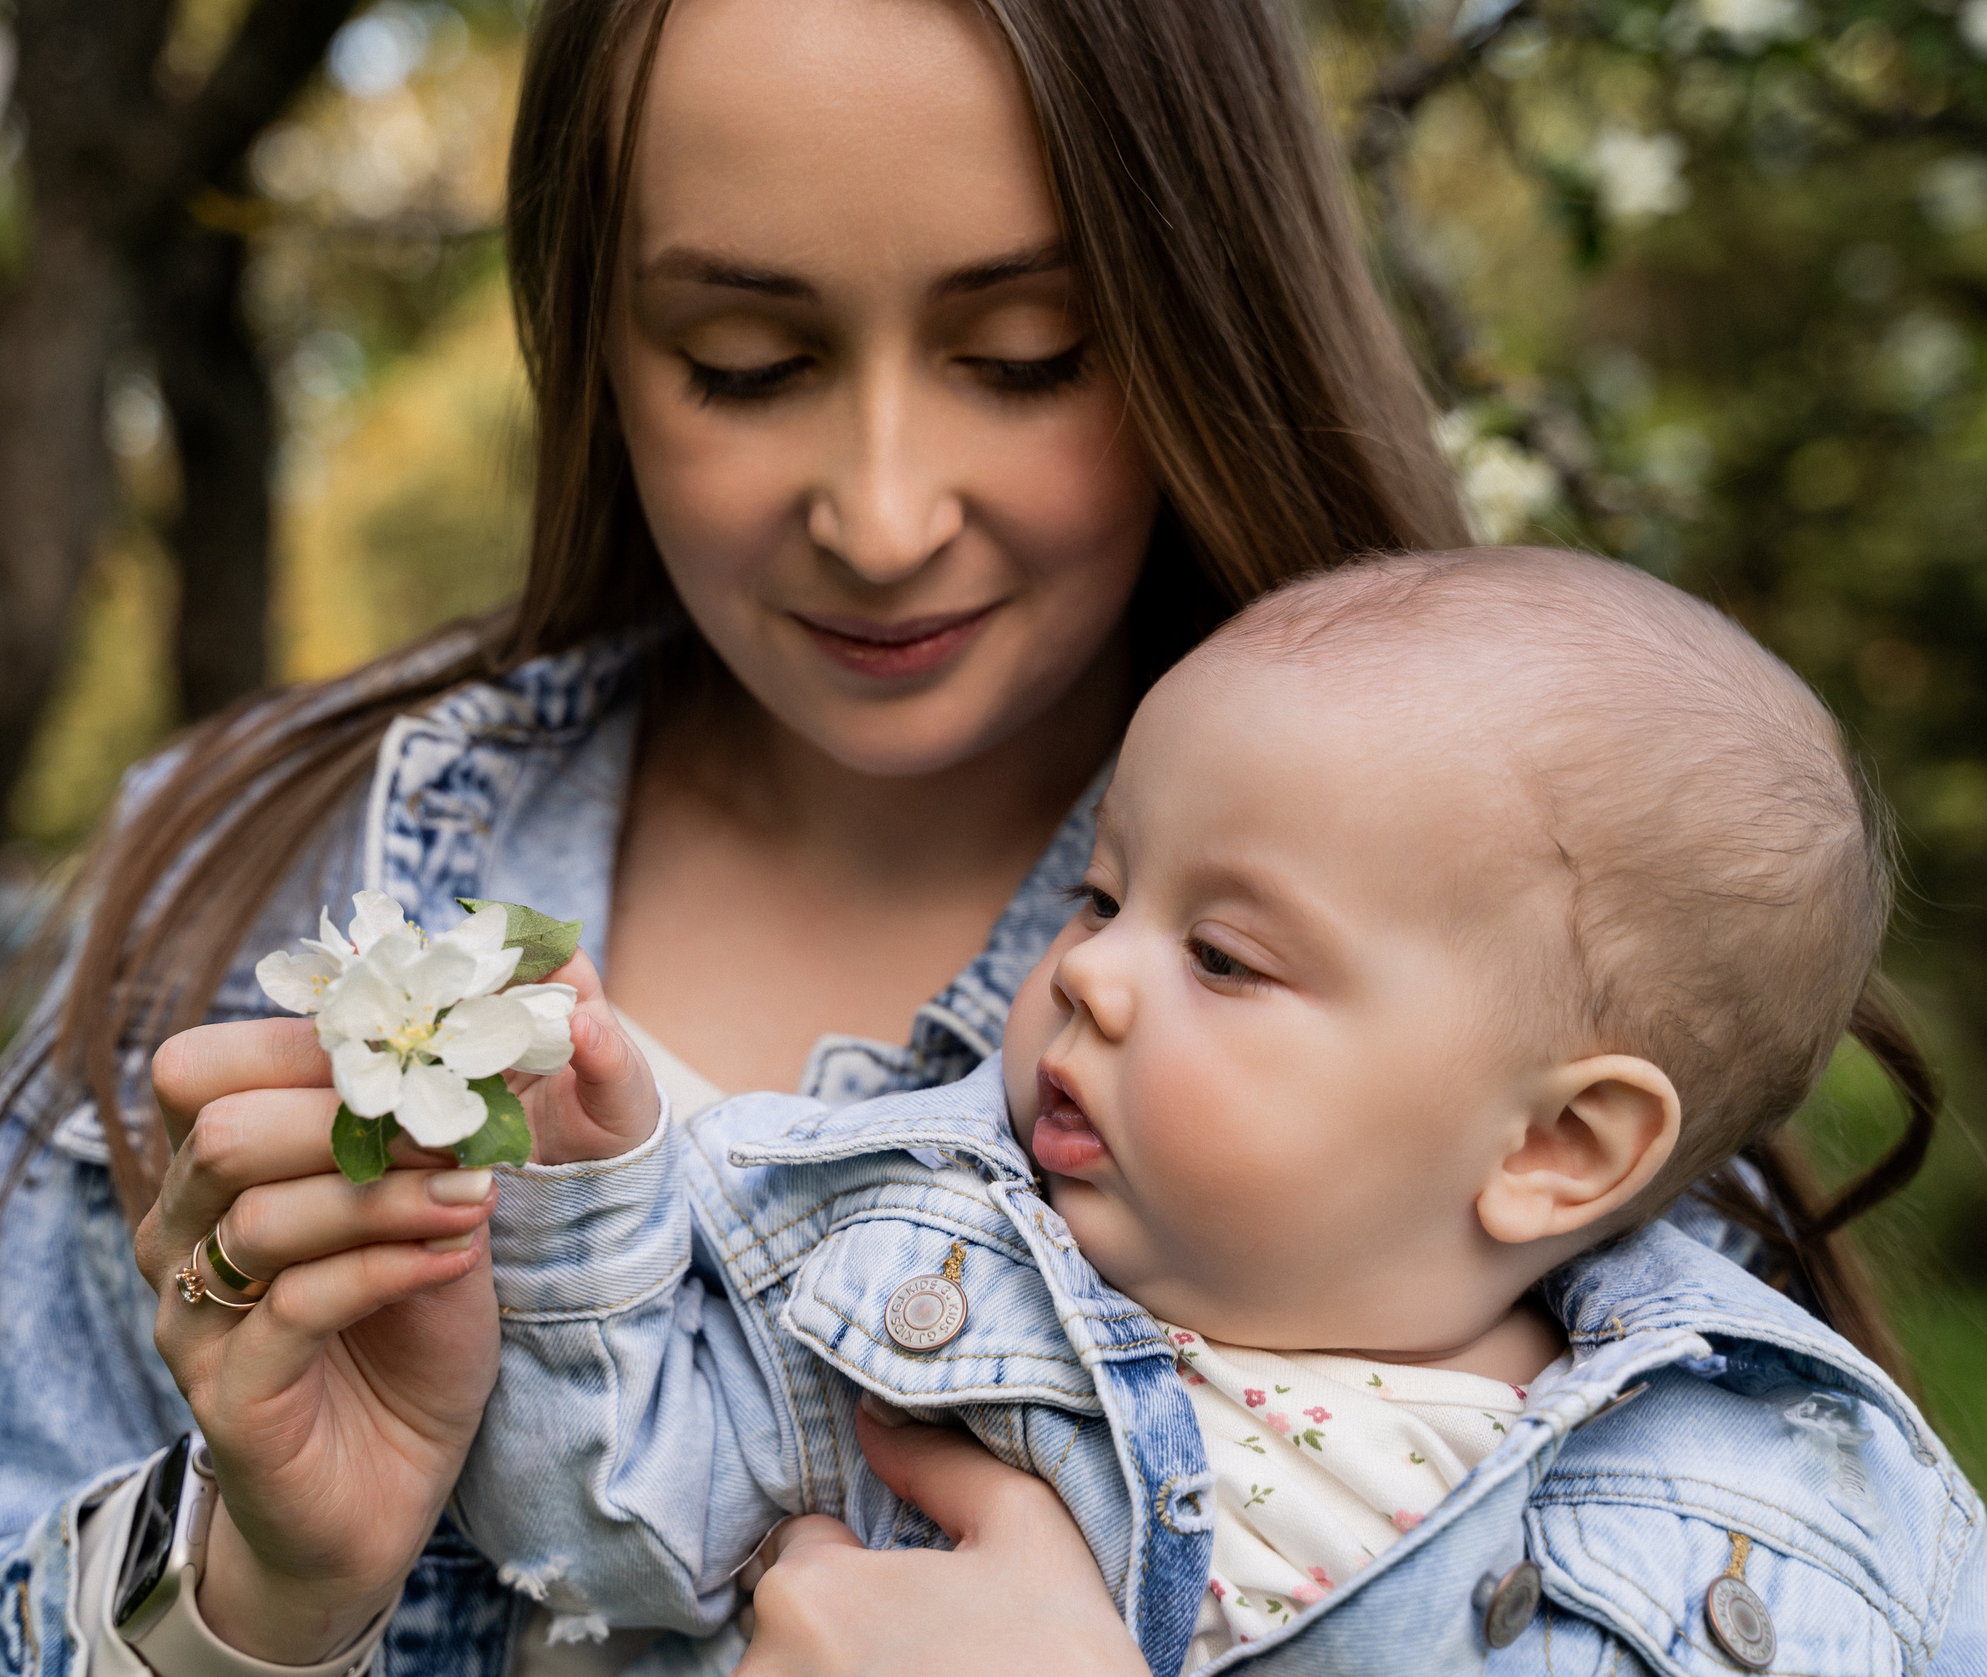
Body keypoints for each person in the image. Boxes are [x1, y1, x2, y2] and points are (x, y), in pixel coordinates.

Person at [0, 0, 1469, 1673]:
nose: (878, 514)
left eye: (1025, 355)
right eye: (745, 358)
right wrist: (253, 1600)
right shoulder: (268, 871)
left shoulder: (1492, 896)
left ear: (1208, 321)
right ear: (596, 341)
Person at [451, 545, 1982, 1672]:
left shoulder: (1780, 1530)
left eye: (1224, 956)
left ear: (1556, 1148)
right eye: (1103, 896)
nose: (1090, 975)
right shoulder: (918, 1284)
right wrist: (586, 1198)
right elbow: (594, 1532)